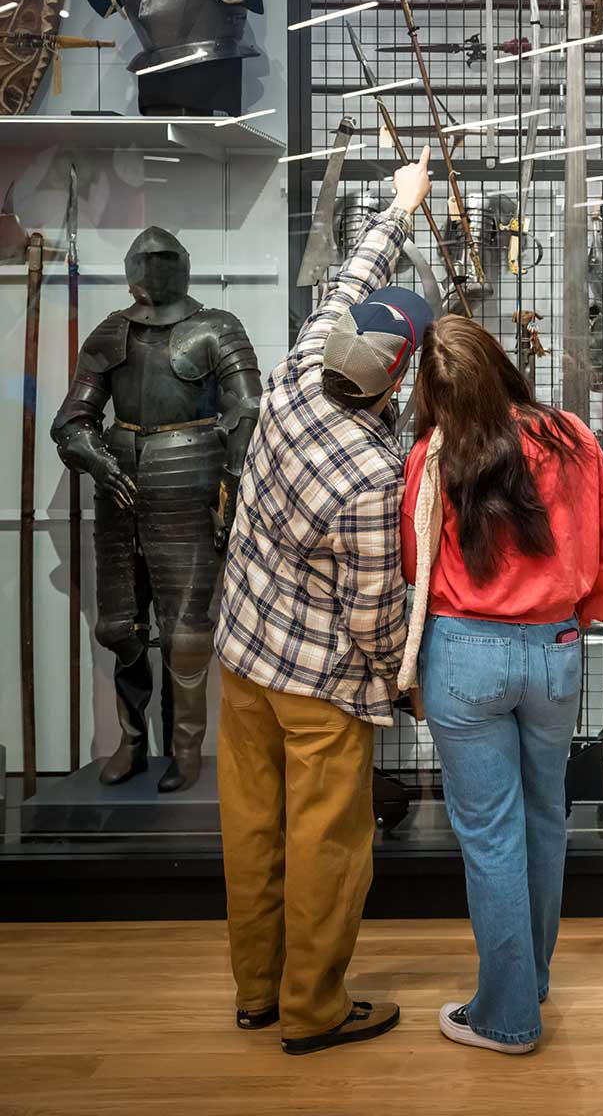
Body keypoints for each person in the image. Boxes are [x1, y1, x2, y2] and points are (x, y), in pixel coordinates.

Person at [214, 147, 435, 1056]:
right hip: (317, 689)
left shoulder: (299, 369)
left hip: (241, 661)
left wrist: (399, 208)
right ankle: (312, 1011)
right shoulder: (376, 478)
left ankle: (257, 994)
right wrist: (403, 690)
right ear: (403, 376)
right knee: (326, 850)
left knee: (251, 832)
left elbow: (350, 278)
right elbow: (376, 615)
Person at [399, 317, 603, 1055]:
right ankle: (529, 980)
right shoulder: (570, 437)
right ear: (502, 366)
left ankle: (507, 1019)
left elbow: (413, 561)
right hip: (556, 647)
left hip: (465, 654)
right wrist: (579, 611)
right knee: (543, 819)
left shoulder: (431, 458)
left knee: (491, 836)